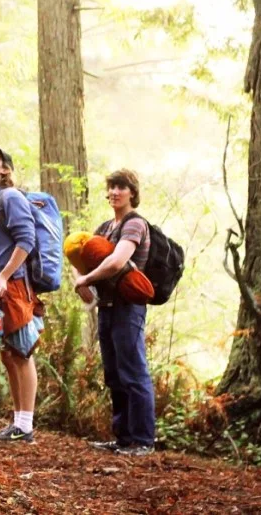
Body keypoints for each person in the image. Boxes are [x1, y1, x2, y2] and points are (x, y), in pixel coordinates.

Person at [73, 169, 156, 457]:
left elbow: (117, 261)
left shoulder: (135, 225)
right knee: (114, 374)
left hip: (128, 308)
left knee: (133, 372)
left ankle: (143, 440)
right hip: (107, 308)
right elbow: (78, 252)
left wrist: (86, 279)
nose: (114, 192)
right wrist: (78, 278)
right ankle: (123, 438)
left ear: (132, 192)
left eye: (121, 187)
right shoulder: (104, 227)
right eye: (111, 187)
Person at [0, 143, 45, 443]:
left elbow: (26, 240)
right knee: (6, 353)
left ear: (5, 170)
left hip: (13, 287)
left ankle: (26, 426)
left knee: (22, 351)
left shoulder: (10, 197)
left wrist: (4, 276)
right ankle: (16, 422)